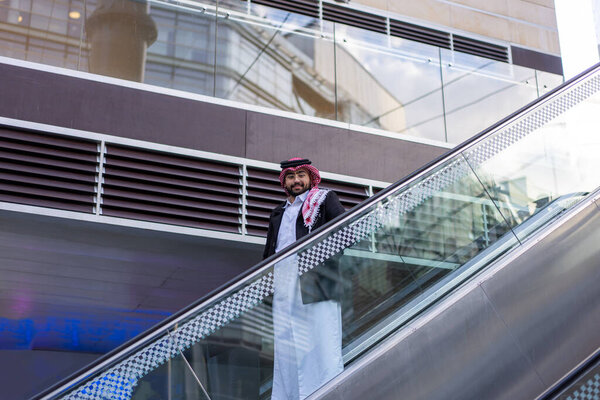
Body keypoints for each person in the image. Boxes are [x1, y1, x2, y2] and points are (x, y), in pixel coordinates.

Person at [263, 158, 346, 400]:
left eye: (301, 175)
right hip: (282, 283)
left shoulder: (324, 199)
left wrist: (315, 263)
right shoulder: (277, 213)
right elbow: (269, 253)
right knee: (287, 345)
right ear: (284, 182)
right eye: (290, 176)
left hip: (316, 282)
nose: (296, 180)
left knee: (321, 344)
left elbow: (345, 232)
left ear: (310, 177)